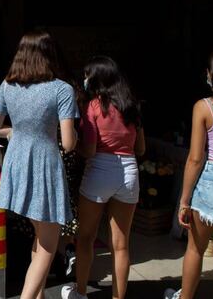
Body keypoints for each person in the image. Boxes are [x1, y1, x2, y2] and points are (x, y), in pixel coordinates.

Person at [0, 30, 79, 299]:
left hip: (17, 163)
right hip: (44, 166)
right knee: (49, 244)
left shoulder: (7, 86)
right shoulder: (61, 89)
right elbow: (69, 142)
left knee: (40, 238)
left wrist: (15, 132)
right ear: (50, 54)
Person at [61, 56, 145, 299]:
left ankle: (80, 292)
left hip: (99, 172)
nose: (85, 80)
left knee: (86, 237)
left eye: (87, 76)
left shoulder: (93, 107)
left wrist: (73, 146)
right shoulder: (133, 106)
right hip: (128, 172)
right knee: (120, 245)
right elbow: (140, 149)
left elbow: (89, 150)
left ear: (97, 79)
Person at [163, 53, 213, 299]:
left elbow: (195, 158)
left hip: (210, 184)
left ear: (212, 75)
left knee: (195, 249)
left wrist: (184, 200)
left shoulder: (203, 107)